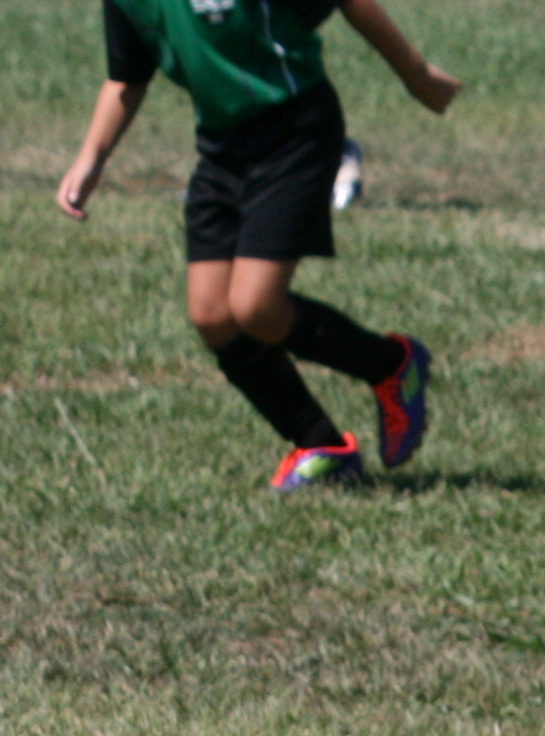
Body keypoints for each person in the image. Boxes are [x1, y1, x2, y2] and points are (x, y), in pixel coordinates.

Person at [58, 0, 455, 494]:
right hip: (222, 150)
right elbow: (126, 79)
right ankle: (320, 446)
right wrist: (90, 161)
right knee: (211, 315)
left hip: (295, 133)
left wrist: (416, 73)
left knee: (256, 307)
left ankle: (390, 365)